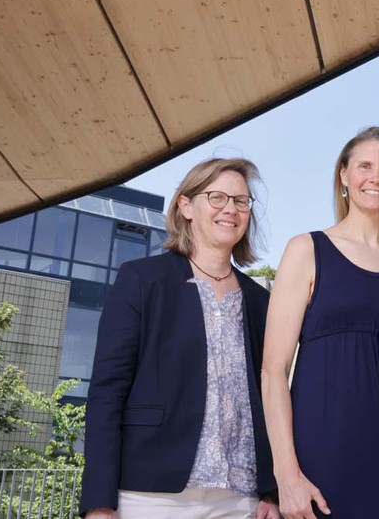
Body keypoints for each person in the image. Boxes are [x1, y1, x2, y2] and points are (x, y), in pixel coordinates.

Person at [80, 158, 279, 519]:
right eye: (217, 197)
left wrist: (271, 491)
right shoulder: (141, 280)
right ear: (185, 206)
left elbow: (271, 397)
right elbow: (107, 392)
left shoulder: (261, 300)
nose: (230, 210)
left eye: (241, 201)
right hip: (149, 494)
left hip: (240, 499)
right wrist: (99, 502)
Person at [261, 126, 379, 519]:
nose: (375, 177)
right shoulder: (306, 249)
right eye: (365, 166)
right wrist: (286, 475)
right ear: (343, 174)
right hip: (320, 456)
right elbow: (273, 371)